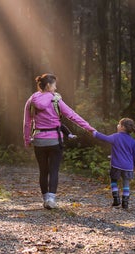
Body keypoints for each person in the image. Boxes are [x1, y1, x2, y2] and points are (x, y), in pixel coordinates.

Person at [23, 73, 96, 209]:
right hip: (55, 140)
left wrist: (27, 139)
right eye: (55, 85)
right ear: (49, 85)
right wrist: (89, 128)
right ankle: (51, 199)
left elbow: (27, 122)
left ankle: (45, 199)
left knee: (43, 171)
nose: (56, 88)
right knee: (54, 170)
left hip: (39, 140)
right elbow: (72, 116)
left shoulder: (32, 100)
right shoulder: (56, 100)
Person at [93, 118, 135, 209]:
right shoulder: (132, 141)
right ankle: (125, 203)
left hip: (116, 165)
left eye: (119, 124)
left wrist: (95, 133)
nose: (117, 126)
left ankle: (116, 199)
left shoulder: (116, 136)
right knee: (126, 183)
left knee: (114, 180)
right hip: (128, 167)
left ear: (122, 127)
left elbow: (105, 138)